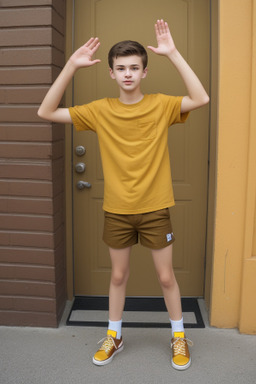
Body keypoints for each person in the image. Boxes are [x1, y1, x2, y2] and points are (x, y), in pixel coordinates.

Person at [38, 19, 209, 370]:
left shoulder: (162, 105)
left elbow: (201, 97)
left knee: (165, 277)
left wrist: (174, 53)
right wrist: (71, 65)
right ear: (112, 74)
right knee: (118, 276)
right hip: (117, 209)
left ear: (144, 72)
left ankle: (178, 337)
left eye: (134, 67)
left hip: (155, 207)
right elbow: (46, 111)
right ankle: (114, 335)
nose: (127, 73)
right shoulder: (100, 110)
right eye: (121, 68)